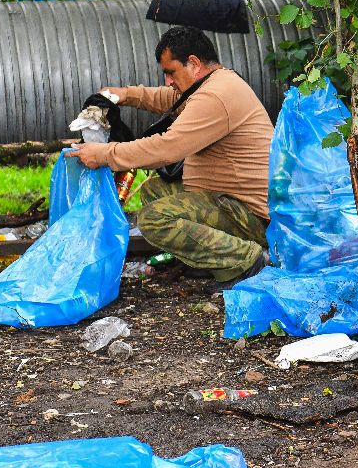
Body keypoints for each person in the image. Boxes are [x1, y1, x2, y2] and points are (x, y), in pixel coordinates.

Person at [66, 26, 274, 284]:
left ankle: (247, 260)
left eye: (171, 72)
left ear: (194, 64)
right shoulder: (214, 83)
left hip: (252, 215)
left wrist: (105, 154)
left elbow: (166, 148)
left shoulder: (216, 96)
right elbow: (170, 98)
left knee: (153, 219)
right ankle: (213, 259)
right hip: (229, 199)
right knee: (154, 190)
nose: (168, 81)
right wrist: (125, 94)